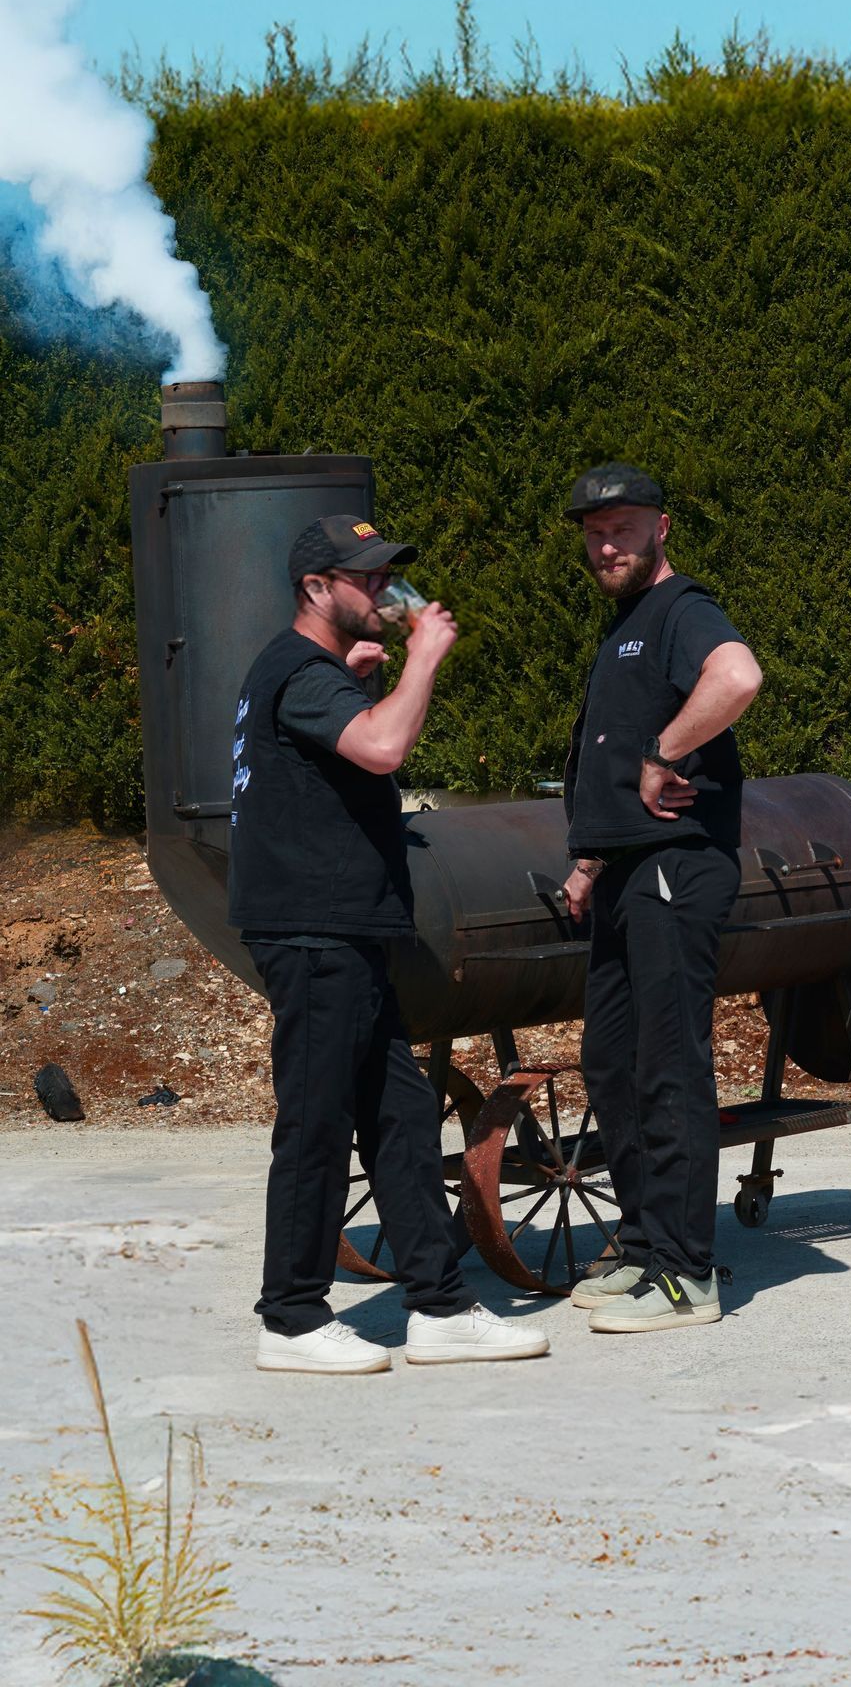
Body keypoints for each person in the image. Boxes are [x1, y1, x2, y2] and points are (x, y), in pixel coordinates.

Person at [231, 515, 547, 1374]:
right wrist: (423, 659)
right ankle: (290, 1319)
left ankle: (440, 1309)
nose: (383, 590)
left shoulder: (309, 673)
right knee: (318, 1121)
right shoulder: (301, 672)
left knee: (401, 1117)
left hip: (346, 929)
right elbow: (381, 746)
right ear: (315, 589)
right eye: (364, 578)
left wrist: (363, 675)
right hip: (314, 929)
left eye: (385, 575)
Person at [553, 465, 765, 1334]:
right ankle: (643, 1246)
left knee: (670, 1064)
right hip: (625, 872)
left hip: (679, 866)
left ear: (662, 528)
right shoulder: (626, 625)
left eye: (625, 529)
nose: (609, 546)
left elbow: (739, 677)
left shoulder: (682, 610)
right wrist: (588, 862)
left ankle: (686, 1276)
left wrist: (665, 753)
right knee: (612, 1060)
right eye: (596, 533)